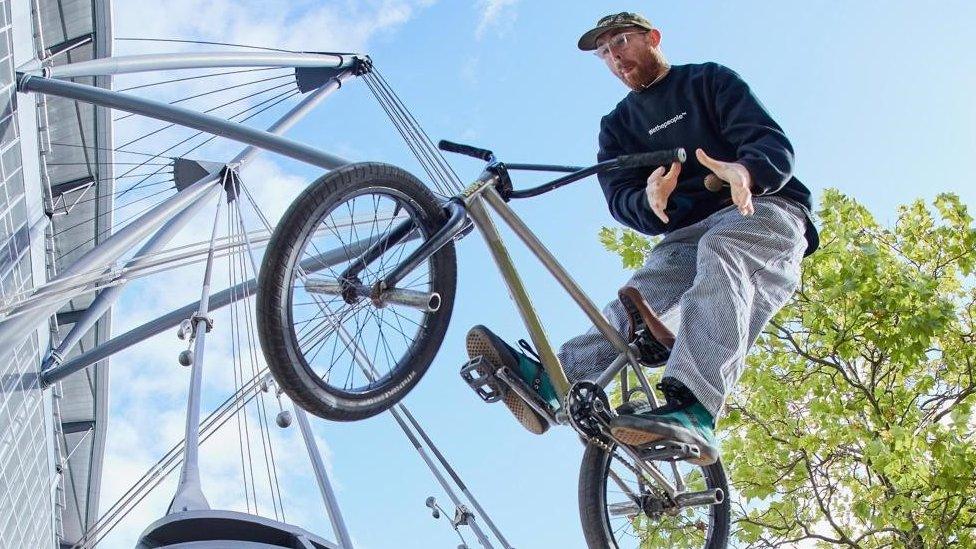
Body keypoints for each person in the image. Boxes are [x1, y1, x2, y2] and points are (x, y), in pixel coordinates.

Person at [466, 11, 818, 466]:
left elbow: (771, 143)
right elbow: (621, 197)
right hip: (687, 233)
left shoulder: (708, 81)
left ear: (652, 38)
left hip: (765, 211)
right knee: (636, 299)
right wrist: (650, 201)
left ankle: (695, 408)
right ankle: (555, 383)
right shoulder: (618, 127)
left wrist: (744, 171)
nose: (615, 57)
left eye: (623, 42)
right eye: (606, 53)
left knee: (722, 249)